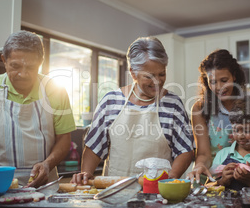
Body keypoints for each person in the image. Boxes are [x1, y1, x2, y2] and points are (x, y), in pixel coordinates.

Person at [71, 36, 194, 185]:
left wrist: (168, 180)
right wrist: (86, 174)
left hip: (158, 193)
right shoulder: (111, 101)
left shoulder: (173, 104)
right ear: (133, 73)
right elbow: (94, 148)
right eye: (149, 76)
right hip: (114, 191)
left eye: (162, 74)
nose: (157, 81)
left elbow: (185, 150)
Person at [0, 30, 76, 187]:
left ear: (40, 63)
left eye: (31, 67)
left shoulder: (56, 91)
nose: (23, 74)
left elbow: (64, 138)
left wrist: (47, 164)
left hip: (46, 186)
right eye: (15, 66)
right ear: (4, 60)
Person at [186, 49, 246, 184]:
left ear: (234, 76)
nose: (219, 87)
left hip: (240, 173)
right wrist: (200, 166)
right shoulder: (199, 108)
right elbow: (203, 153)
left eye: (224, 80)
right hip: (210, 175)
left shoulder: (248, 104)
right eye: (212, 82)